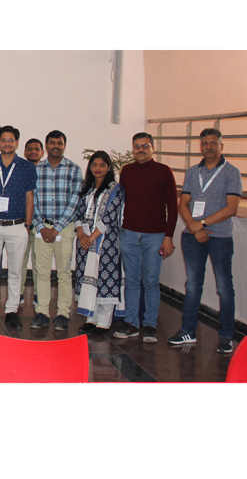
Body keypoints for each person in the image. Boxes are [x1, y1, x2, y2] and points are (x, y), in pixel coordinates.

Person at [170, 128, 242, 354]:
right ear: (200, 146)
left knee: (224, 287)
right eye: (205, 143)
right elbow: (183, 203)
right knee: (192, 285)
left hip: (219, 237)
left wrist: (201, 224)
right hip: (192, 237)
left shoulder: (232, 172)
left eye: (213, 143)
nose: (208, 147)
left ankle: (227, 336)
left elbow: (231, 208)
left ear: (221, 145)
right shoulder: (193, 172)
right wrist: (193, 226)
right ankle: (188, 330)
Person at [114, 132, 177, 343]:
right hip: (129, 233)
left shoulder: (164, 171)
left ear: (153, 148)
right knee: (131, 280)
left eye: (145, 146)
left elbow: (173, 206)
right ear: (133, 149)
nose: (140, 150)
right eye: (137, 146)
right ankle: (132, 323)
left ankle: (150, 325)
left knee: (150, 281)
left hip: (155, 235)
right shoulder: (127, 171)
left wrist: (168, 236)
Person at [0, 126, 36, 329]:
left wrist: (27, 225)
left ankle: (12, 309)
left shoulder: (27, 167)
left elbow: (30, 198)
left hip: (17, 225)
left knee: (15, 271)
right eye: (3, 139)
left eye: (11, 140)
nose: (7, 143)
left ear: (17, 143)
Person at [31, 130, 83, 332]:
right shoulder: (36, 169)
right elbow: (32, 200)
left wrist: (57, 228)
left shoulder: (74, 169)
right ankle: (42, 312)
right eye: (52, 143)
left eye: (59, 143)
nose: (55, 146)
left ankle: (63, 314)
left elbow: (75, 201)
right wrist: (41, 227)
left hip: (65, 228)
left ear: (64, 146)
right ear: (46, 146)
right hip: (41, 228)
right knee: (42, 272)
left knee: (64, 273)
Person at [74, 151, 125, 335]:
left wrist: (92, 237)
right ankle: (91, 319)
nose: (97, 168)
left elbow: (110, 217)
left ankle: (104, 322)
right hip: (85, 241)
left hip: (106, 242)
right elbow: (78, 214)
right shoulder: (86, 189)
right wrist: (81, 235)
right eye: (94, 165)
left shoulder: (115, 189)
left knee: (105, 279)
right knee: (89, 279)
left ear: (109, 167)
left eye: (102, 165)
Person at [19, 137, 44, 304]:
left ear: (42, 152)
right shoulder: (20, 170)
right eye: (30, 149)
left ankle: (38, 294)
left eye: (37, 149)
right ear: (25, 152)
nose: (33, 152)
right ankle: (19, 292)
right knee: (20, 258)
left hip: (42, 223)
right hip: (22, 221)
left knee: (39, 260)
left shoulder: (46, 172)